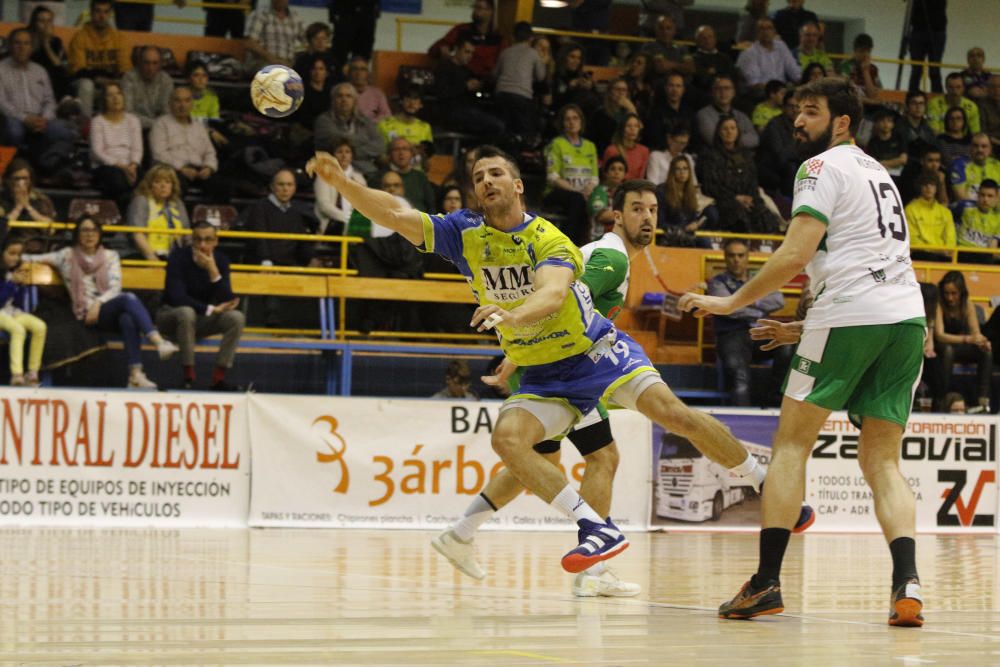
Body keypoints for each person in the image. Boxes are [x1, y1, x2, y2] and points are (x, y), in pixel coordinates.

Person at [310, 145, 784, 575]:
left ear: (517, 186)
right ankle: (591, 530)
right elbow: (396, 213)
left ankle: (763, 479)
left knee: (666, 417)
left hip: (592, 353)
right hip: (541, 368)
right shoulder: (464, 234)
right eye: (478, 177)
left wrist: (510, 316)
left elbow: (554, 293)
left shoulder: (549, 239)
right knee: (511, 441)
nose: (486, 182)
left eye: (496, 173)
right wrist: (344, 184)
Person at [680, 77, 927, 626]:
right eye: (795, 112)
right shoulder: (879, 172)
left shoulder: (819, 167)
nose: (797, 122)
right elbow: (864, 261)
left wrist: (730, 304)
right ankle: (907, 583)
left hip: (851, 314)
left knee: (791, 446)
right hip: (906, 318)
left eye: (810, 113)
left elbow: (795, 256)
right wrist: (803, 327)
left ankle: (766, 582)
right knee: (883, 460)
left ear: (841, 122)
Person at [433, 179, 659, 595]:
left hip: (552, 361)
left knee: (534, 468)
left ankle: (460, 535)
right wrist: (515, 358)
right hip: (558, 365)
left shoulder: (615, 257)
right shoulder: (611, 256)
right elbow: (563, 307)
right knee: (602, 458)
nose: (646, 217)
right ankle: (591, 568)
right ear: (617, 214)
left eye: (652, 210)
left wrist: (511, 363)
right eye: (637, 209)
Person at [25, 217, 179, 389]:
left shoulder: (110, 256)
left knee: (127, 317)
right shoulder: (66, 255)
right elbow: (31, 258)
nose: (89, 235)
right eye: (84, 230)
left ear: (100, 234)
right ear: (77, 234)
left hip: (106, 310)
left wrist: (98, 303)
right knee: (128, 299)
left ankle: (135, 376)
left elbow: (115, 288)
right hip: (83, 313)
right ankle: (157, 342)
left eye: (93, 231)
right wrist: (12, 258)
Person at [158, 221, 244, 391]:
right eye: (198, 240)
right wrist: (210, 309)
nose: (203, 245)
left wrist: (212, 270)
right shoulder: (177, 257)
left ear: (216, 241)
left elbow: (228, 299)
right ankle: (188, 376)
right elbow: (177, 297)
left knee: (237, 318)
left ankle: (218, 379)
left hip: (200, 318)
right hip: (170, 316)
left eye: (208, 240)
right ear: (192, 240)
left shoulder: (221, 260)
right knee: (186, 312)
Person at [709, 238, 792, 406]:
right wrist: (757, 301)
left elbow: (778, 300)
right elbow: (728, 309)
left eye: (740, 255)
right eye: (732, 255)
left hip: (759, 333)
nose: (736, 259)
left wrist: (739, 300)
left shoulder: (760, 278)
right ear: (725, 257)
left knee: (787, 345)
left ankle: (776, 402)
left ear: (747, 257)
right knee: (738, 374)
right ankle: (741, 420)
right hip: (732, 335)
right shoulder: (717, 282)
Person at [0, 28, 77, 160]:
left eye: (26, 43)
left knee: (68, 130)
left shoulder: (40, 70)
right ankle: (12, 165)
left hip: (41, 120)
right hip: (13, 119)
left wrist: (44, 119)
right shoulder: (1, 69)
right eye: (17, 43)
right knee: (14, 130)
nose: (22, 47)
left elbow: (49, 100)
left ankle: (44, 162)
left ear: (32, 47)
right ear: (10, 46)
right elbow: (2, 103)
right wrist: (25, 118)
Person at [698, 116, 779, 233]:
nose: (729, 132)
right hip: (723, 200)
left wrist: (749, 198)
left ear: (737, 131)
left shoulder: (746, 156)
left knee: (764, 215)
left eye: (732, 128)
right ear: (719, 133)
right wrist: (735, 198)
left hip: (748, 198)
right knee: (739, 215)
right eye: (725, 129)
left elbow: (753, 182)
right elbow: (710, 185)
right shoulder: (710, 156)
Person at [934, 271, 992, 412]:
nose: (950, 298)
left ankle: (982, 401)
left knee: (986, 352)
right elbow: (940, 335)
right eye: (947, 293)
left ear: (961, 292)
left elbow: (975, 333)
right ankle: (943, 398)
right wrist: (967, 339)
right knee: (948, 351)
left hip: (960, 347)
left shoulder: (967, 304)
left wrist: (983, 341)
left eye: (954, 293)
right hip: (941, 347)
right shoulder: (939, 304)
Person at [543, 104, 599, 246]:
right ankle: (568, 246)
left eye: (575, 118)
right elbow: (553, 177)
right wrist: (579, 191)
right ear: (562, 123)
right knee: (578, 200)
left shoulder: (590, 146)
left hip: (584, 193)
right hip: (558, 192)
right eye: (567, 119)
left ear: (581, 121)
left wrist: (587, 191)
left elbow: (594, 178)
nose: (572, 122)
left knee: (597, 201)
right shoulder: (557, 144)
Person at [430, 36, 505, 141]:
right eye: (467, 52)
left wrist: (478, 86)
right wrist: (465, 86)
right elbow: (442, 93)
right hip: (451, 112)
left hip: (467, 110)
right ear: (457, 49)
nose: (470, 56)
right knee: (496, 126)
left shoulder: (467, 71)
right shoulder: (444, 67)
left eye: (472, 53)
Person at [67, 0, 130, 117]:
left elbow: (125, 70)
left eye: (106, 12)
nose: (102, 16)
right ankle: (85, 126)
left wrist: (113, 82)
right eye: (98, 11)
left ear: (110, 14)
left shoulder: (119, 38)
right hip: (85, 82)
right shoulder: (80, 37)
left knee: (128, 84)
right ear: (91, 13)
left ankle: (123, 123)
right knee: (87, 85)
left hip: (111, 83)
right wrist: (103, 80)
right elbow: (80, 71)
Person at [314, 82, 385, 182]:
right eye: (340, 96)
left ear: (355, 101)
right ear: (333, 100)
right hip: (336, 171)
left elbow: (380, 145)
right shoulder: (323, 120)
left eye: (348, 96)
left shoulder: (365, 121)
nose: (344, 99)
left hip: (367, 171)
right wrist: (364, 142)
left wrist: (349, 149)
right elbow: (337, 141)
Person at [0, 236, 47, 386]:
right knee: (18, 330)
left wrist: (20, 286)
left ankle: (32, 372)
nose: (15, 258)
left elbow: (19, 304)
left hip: (11, 312)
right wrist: (11, 283)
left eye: (18, 255)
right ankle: (17, 374)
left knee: (40, 326)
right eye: (11, 253)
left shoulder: (16, 272)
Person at [492, 21, 547, 145]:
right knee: (523, 132)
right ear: (531, 38)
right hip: (522, 96)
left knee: (504, 129)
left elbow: (494, 74)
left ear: (513, 36)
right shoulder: (533, 53)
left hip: (502, 94)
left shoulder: (505, 52)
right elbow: (541, 76)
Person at [90, 81, 142, 210]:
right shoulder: (97, 122)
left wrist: (133, 165)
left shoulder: (133, 120)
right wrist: (122, 167)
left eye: (118, 94)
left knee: (145, 179)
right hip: (107, 166)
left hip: (130, 166)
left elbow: (137, 148)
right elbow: (97, 152)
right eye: (110, 95)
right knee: (117, 180)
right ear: (104, 100)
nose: (115, 98)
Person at [127, 165, 190, 262]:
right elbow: (137, 234)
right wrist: (152, 259)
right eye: (157, 182)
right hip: (150, 255)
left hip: (176, 256)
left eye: (167, 182)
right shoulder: (141, 200)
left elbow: (187, 233)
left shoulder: (178, 203)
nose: (163, 186)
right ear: (149, 185)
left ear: (173, 185)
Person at [428, 0, 506, 80]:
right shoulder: (462, 30)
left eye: (479, 8)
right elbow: (434, 49)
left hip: (485, 81)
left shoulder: (498, 38)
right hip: (460, 77)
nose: (475, 11)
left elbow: (503, 63)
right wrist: (442, 49)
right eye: (474, 7)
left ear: (490, 11)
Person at [656, 154, 716, 246]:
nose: (682, 172)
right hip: (670, 235)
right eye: (678, 169)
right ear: (672, 172)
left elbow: (692, 218)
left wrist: (697, 224)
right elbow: (660, 222)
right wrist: (684, 228)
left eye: (685, 169)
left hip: (688, 235)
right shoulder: (662, 191)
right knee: (703, 242)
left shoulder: (692, 192)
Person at [314, 138, 366, 236]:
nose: (344, 155)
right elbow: (324, 206)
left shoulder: (360, 179)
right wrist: (347, 218)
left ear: (352, 155)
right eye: (339, 152)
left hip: (355, 226)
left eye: (347, 152)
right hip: (331, 226)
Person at [735, 19, 801, 94]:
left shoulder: (781, 46)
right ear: (756, 32)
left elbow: (795, 72)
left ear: (774, 31)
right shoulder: (749, 53)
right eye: (762, 29)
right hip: (761, 96)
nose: (766, 32)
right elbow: (754, 84)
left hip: (782, 93)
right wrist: (779, 91)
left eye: (769, 28)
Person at [695, 75, 759, 149]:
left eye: (727, 88)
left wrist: (729, 139)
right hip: (715, 158)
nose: (723, 92)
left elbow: (755, 139)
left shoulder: (741, 115)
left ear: (733, 92)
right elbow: (714, 140)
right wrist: (739, 138)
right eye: (718, 88)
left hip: (741, 157)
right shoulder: (703, 114)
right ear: (712, 92)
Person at [121, 46, 174, 131]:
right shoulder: (129, 78)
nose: (150, 68)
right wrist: (155, 124)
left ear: (160, 64)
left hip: (160, 131)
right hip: (134, 129)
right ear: (140, 63)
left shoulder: (166, 80)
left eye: (155, 63)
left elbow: (167, 112)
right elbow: (128, 113)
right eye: (147, 63)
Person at [904, 173, 956, 260]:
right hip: (921, 254)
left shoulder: (945, 212)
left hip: (943, 255)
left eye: (932, 184)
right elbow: (912, 239)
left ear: (936, 188)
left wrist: (945, 251)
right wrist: (934, 250)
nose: (928, 187)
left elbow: (951, 239)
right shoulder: (910, 209)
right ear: (919, 187)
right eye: (925, 184)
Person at [377, 88, 434, 165]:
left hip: (416, 171)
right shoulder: (384, 125)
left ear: (421, 105)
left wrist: (420, 155)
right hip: (393, 171)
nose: (411, 103)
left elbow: (428, 163)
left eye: (415, 100)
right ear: (401, 101)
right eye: (408, 99)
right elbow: (379, 158)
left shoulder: (425, 127)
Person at [245, 0, 305, 71]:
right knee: (275, 71)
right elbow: (250, 43)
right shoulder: (260, 14)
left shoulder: (295, 17)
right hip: (263, 62)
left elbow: (307, 40)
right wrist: (272, 59)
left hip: (288, 64)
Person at [27, 6, 70, 99]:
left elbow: (59, 65)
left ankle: (66, 101)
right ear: (34, 23)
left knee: (60, 73)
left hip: (52, 79)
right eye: (42, 21)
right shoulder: (26, 39)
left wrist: (46, 44)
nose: (46, 25)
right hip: (31, 77)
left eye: (49, 21)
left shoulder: (56, 41)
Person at [948, 133, 1000, 205]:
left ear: (990, 149)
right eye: (976, 146)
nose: (980, 150)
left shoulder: (997, 165)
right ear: (970, 148)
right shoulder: (959, 165)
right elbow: (961, 197)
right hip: (969, 210)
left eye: (984, 146)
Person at [907, 0, 948, 93]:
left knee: (934, 69)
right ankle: (912, 95)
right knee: (916, 70)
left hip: (937, 29)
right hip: (918, 28)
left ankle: (937, 96)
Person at [387, 137, 436, 212]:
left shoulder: (421, 177)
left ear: (412, 154)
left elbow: (431, 206)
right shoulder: (379, 178)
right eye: (396, 149)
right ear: (389, 154)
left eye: (405, 149)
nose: (401, 153)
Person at [955, 178, 1000, 260]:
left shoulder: (998, 219)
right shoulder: (963, 207)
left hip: (983, 257)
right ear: (978, 195)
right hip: (962, 252)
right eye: (982, 195)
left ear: (996, 198)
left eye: (990, 196)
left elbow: (992, 247)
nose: (985, 199)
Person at [0, 159, 55, 225]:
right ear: (7, 180)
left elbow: (50, 230)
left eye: (25, 178)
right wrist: (18, 208)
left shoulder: (40, 199)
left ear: (30, 180)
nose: (21, 183)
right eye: (17, 179)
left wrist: (28, 207)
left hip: (36, 235)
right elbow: (2, 230)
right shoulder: (1, 198)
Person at [329, 0, 380, 66]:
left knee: (362, 57)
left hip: (367, 15)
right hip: (345, 12)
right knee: (339, 55)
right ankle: (337, 74)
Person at [602, 114, 649, 180]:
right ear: (622, 129)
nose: (632, 129)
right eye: (628, 126)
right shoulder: (612, 150)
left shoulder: (644, 151)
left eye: (636, 126)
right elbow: (606, 175)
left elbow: (641, 176)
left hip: (636, 187)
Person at [839, 33, 882, 104]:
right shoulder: (845, 66)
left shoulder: (873, 69)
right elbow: (846, 93)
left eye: (868, 51)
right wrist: (870, 101)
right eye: (862, 51)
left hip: (869, 107)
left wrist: (866, 71)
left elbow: (873, 95)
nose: (865, 55)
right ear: (855, 51)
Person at [865, 109, 908, 178]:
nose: (886, 124)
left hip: (900, 176)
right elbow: (873, 164)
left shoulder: (899, 138)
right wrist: (895, 162)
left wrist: (883, 163)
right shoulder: (872, 142)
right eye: (882, 121)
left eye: (889, 121)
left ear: (893, 124)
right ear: (877, 123)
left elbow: (903, 160)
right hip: (880, 175)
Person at [348, 57, 390, 123]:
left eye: (363, 69)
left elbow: (387, 115)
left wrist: (368, 122)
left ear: (368, 73)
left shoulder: (377, 93)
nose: (358, 73)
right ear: (349, 72)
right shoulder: (342, 92)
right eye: (355, 69)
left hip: (371, 128)